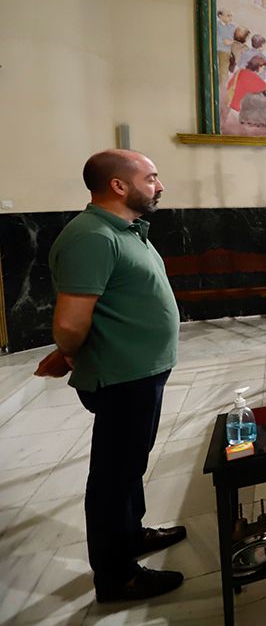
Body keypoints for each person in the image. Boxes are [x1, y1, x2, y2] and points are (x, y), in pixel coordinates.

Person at [47, 150, 186, 601]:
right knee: (111, 476)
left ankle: (132, 534)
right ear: (119, 186)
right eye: (151, 178)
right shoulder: (91, 237)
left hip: (141, 372)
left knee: (130, 466)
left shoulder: (124, 229)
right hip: (122, 378)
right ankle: (116, 574)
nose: (159, 186)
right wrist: (68, 352)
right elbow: (70, 322)